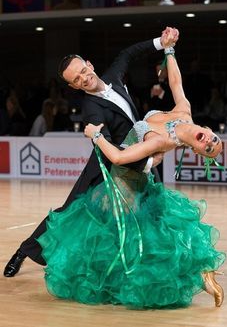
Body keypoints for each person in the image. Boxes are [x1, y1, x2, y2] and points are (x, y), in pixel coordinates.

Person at [37, 36, 225, 309]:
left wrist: (96, 136)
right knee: (137, 237)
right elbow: (175, 82)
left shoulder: (162, 141)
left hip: (126, 185)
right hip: (135, 180)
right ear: (208, 130)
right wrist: (169, 49)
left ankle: (188, 276)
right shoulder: (183, 111)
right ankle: (201, 272)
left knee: (133, 241)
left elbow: (118, 156)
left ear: (197, 150)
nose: (208, 143)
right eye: (213, 140)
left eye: (207, 149)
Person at [3, 27, 178, 277]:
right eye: (77, 79)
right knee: (70, 211)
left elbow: (128, 54)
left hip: (139, 154)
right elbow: (111, 152)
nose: (84, 78)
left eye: (83, 71)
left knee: (154, 204)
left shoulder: (113, 77)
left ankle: (160, 259)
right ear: (73, 86)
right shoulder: (91, 109)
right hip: (108, 164)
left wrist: (161, 43)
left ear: (89, 64)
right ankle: (24, 251)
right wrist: (147, 162)